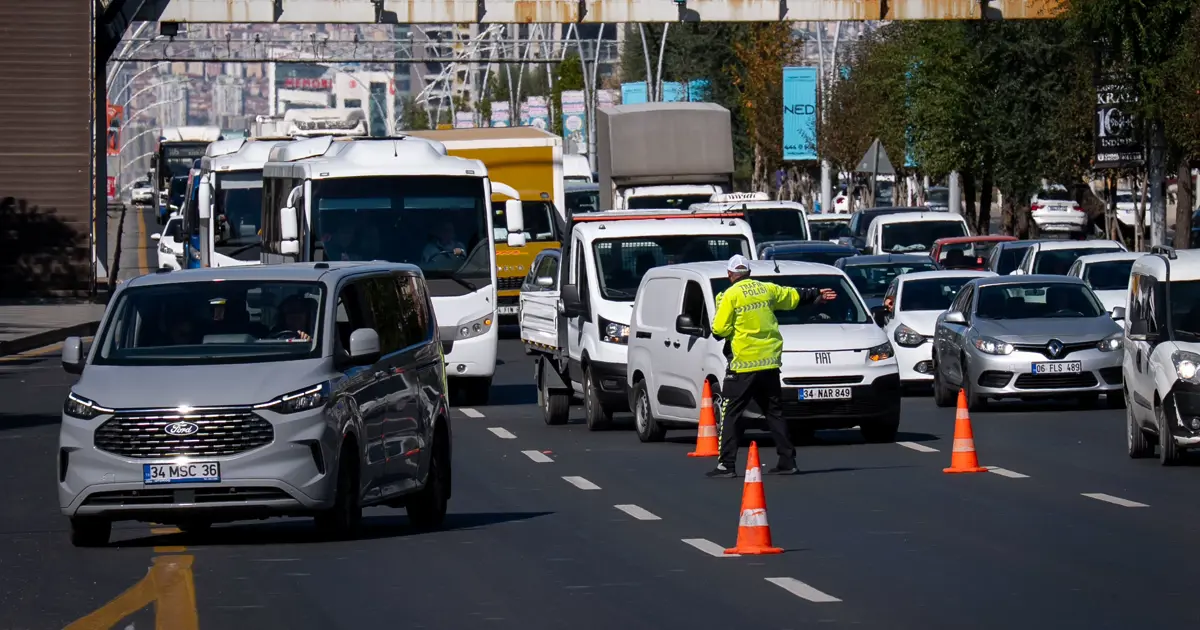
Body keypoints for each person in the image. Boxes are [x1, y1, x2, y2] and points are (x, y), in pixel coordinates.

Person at [707, 254, 838, 478]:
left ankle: (726, 465)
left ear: (730, 275)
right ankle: (788, 461)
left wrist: (732, 333)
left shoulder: (730, 295)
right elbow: (792, 296)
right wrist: (817, 293)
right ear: (748, 273)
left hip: (743, 364)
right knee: (774, 412)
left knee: (731, 414)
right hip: (769, 363)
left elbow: (718, 329)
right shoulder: (766, 289)